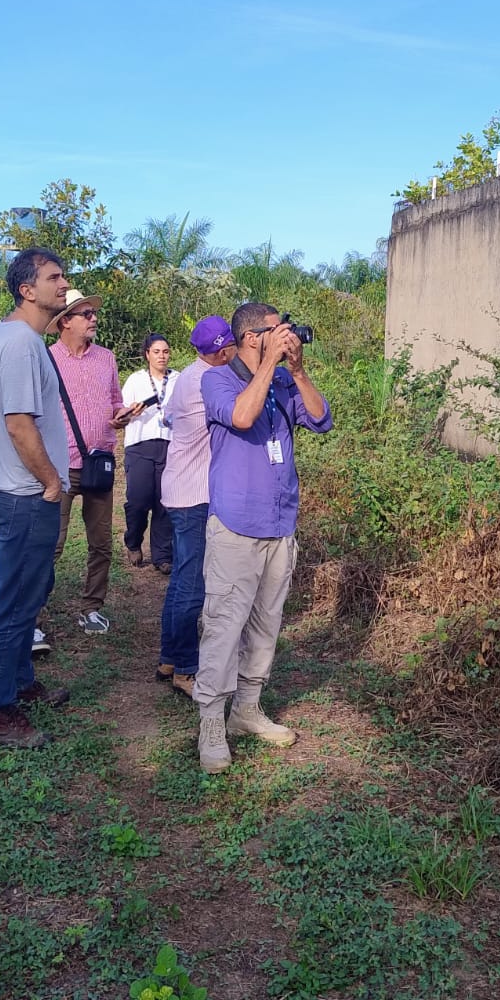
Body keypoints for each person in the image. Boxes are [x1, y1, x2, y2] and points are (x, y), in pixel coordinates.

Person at [194, 301, 332, 774]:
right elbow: (241, 417)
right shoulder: (217, 379)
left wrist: (298, 370)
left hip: (280, 522)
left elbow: (321, 419)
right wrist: (270, 363)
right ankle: (211, 720)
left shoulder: (284, 380)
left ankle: (247, 709)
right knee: (224, 624)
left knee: (267, 622)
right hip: (236, 524)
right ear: (252, 337)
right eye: (278, 331)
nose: (287, 335)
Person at [0, 247, 72, 748]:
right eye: (54, 277)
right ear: (27, 290)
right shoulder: (22, 342)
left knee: (29, 596)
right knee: (16, 604)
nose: (64, 285)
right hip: (25, 493)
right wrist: (51, 482)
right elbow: (20, 426)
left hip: (12, 490)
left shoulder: (2, 335)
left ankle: (21, 684)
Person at [155, 314, 236, 699]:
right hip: (194, 494)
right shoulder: (208, 380)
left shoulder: (188, 374)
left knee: (181, 578)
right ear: (222, 352)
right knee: (192, 584)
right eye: (233, 345)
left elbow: (169, 418)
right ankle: (186, 668)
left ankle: (170, 658)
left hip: (179, 488)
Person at [46, 288, 128, 634]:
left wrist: (122, 415)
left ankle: (92, 609)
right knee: (51, 544)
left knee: (101, 544)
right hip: (60, 467)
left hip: (100, 463)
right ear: (65, 321)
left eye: (94, 314)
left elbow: (115, 400)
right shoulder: (46, 359)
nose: (94, 319)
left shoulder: (106, 358)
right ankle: (33, 617)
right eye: (86, 314)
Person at [121, 333, 177, 575]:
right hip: (140, 444)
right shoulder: (135, 380)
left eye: (165, 351)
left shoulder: (178, 379)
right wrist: (130, 411)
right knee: (138, 500)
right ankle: (133, 541)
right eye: (156, 352)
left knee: (165, 502)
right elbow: (119, 414)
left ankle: (162, 555)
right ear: (147, 354)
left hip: (170, 445)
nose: (161, 356)